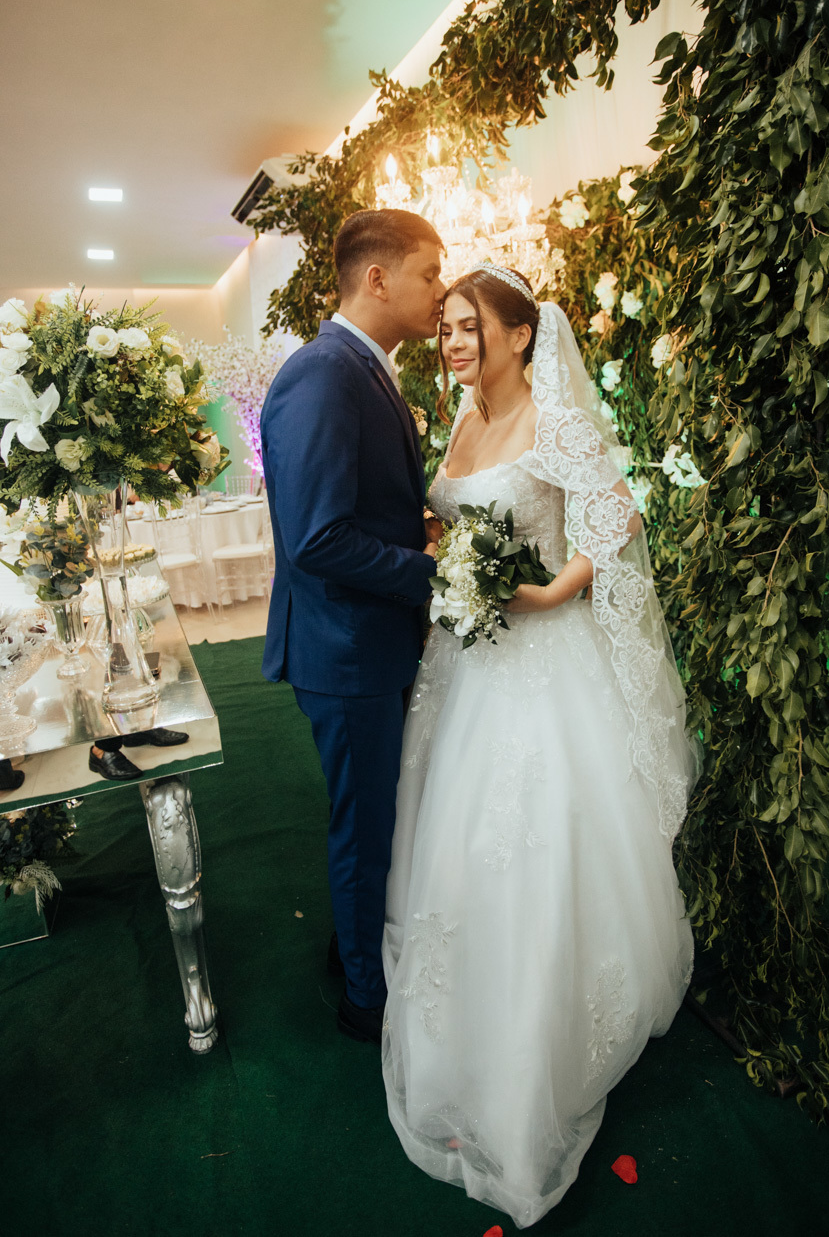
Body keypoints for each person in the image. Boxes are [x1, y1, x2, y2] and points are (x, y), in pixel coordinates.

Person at [382, 264, 700, 1228]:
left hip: (544, 663)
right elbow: (452, 517)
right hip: (467, 666)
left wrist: (555, 590)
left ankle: (537, 1042)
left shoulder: (555, 421)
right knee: (457, 839)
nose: (452, 342)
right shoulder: (463, 422)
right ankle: (468, 1014)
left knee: (528, 841)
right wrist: (445, 556)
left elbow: (617, 514)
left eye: (468, 325)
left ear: (521, 334)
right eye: (445, 327)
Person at [260, 209, 444, 1044]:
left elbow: (360, 506)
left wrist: (420, 530)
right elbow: (318, 537)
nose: (440, 292)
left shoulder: (362, 368)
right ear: (378, 278)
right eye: (429, 273)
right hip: (346, 649)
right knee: (365, 826)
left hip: (368, 640)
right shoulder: (325, 373)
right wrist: (432, 576)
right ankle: (367, 999)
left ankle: (356, 945)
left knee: (377, 815)